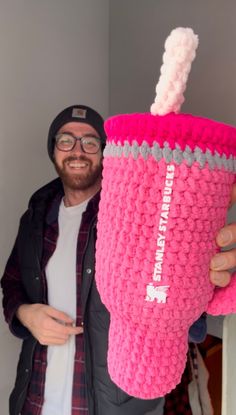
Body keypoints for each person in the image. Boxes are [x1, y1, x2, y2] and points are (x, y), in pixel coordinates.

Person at [1, 104, 235, 415]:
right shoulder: (34, 218)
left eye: (90, 141)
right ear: (54, 149)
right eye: (66, 139)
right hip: (34, 399)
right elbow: (12, 283)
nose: (78, 150)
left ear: (106, 152)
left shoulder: (137, 214)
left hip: (110, 404)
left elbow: (183, 312)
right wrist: (25, 315)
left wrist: (200, 284)